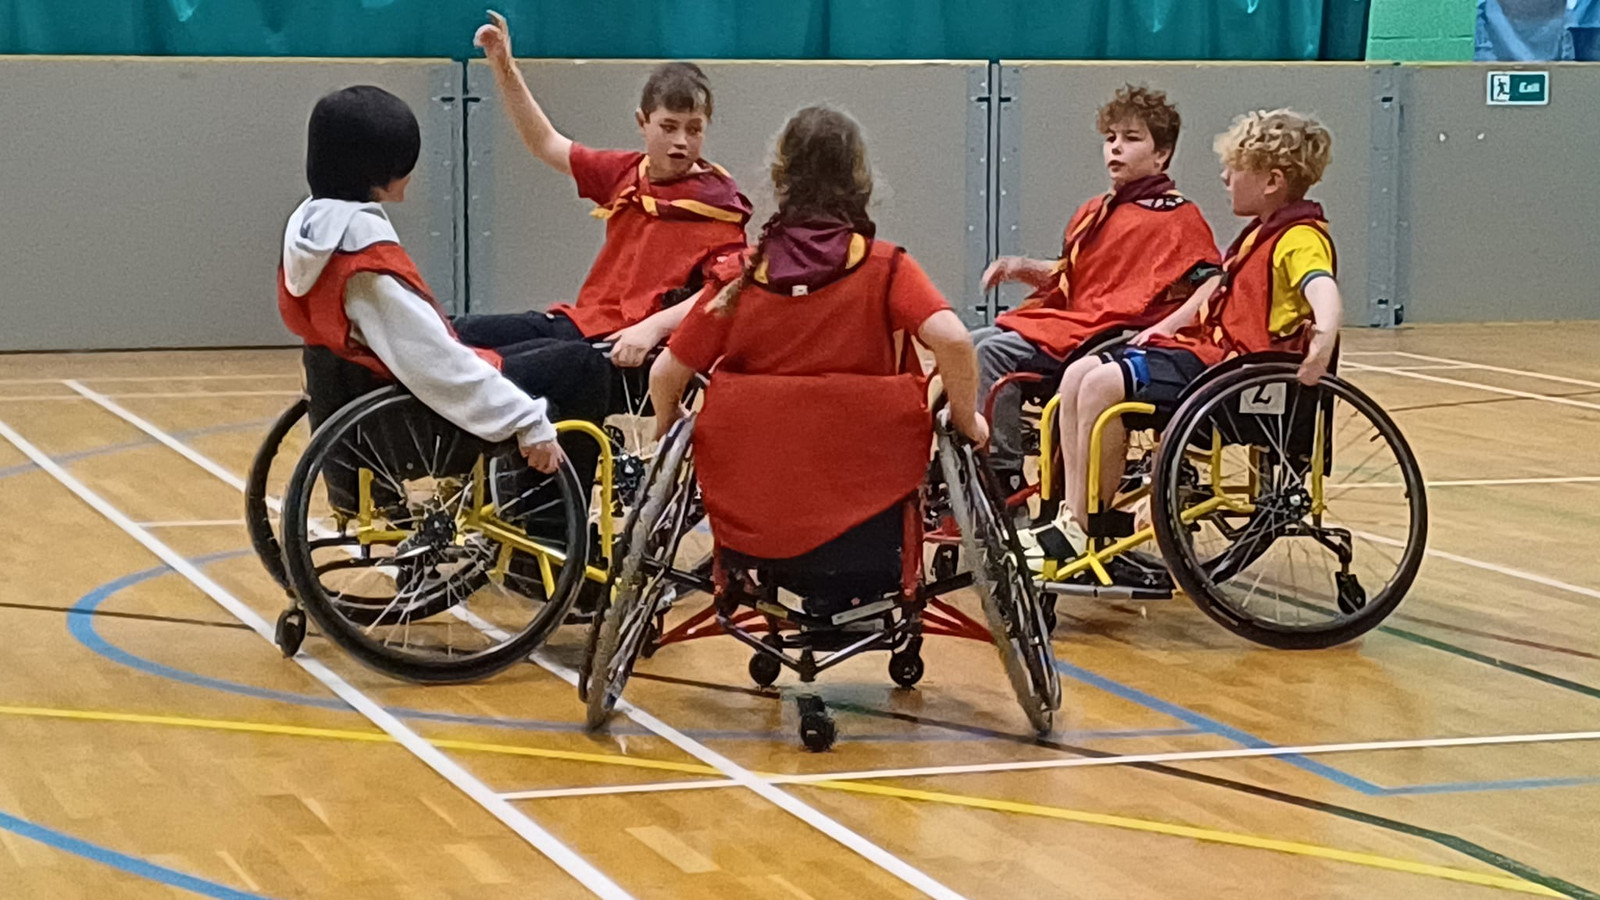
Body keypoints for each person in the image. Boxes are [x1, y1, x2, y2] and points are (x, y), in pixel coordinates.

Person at [649, 106, 986, 598]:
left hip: (754, 512)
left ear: (781, 177)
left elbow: (666, 372)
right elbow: (955, 341)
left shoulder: (738, 279)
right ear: (858, 178)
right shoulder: (885, 267)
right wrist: (964, 416)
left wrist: (668, 423)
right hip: (870, 514)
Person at [278, 85, 610, 480]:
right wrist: (528, 420)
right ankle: (547, 531)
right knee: (582, 365)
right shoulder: (364, 263)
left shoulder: (311, 231)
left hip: (366, 399)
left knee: (539, 342)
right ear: (376, 172)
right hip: (417, 424)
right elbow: (434, 365)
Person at [1055, 107, 1341, 565]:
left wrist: (1325, 335)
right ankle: (1075, 516)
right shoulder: (1261, 234)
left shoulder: (1300, 238)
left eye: (1234, 168)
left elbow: (1321, 285)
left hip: (1242, 377)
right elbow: (1215, 292)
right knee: (1077, 374)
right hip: (1213, 358)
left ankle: (1086, 521)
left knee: (1100, 384)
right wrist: (1164, 327)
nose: (1225, 178)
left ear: (1271, 181)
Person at [453, 11, 751, 381]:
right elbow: (545, 143)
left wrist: (654, 327)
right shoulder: (627, 173)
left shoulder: (718, 205)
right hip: (584, 322)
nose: (681, 141)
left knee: (503, 367)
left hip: (627, 350)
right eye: (669, 127)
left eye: (694, 130)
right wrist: (504, 68)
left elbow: (724, 291)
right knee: (458, 332)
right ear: (642, 123)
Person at [973, 85, 1221, 498]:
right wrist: (1020, 268)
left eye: (1131, 138)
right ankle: (963, 465)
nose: (1116, 149)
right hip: (1072, 323)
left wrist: (1168, 325)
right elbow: (1072, 277)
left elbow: (1211, 281)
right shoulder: (1096, 210)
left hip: (1106, 335)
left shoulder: (1180, 217)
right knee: (970, 343)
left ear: (1161, 155)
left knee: (989, 353)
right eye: (1111, 139)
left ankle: (1003, 475)